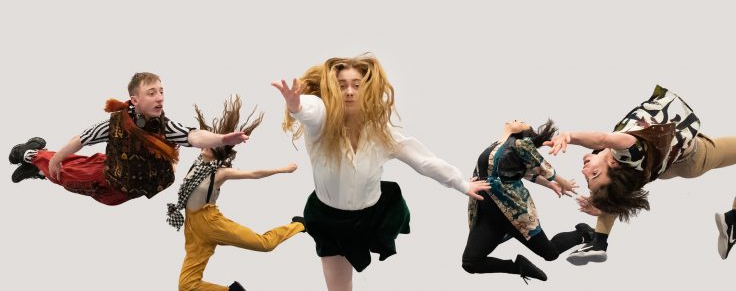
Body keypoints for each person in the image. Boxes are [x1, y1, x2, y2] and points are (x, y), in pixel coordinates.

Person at [272, 54, 491, 291]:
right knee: (339, 287)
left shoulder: (381, 133)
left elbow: (423, 160)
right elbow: (311, 110)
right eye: (341, 85)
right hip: (329, 219)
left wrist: (462, 184)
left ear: (367, 90)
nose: (349, 91)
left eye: (356, 85)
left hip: (372, 214)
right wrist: (296, 105)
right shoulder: (321, 123)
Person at [543, 85, 736, 264]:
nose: (584, 170)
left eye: (588, 178)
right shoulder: (625, 149)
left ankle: (599, 243)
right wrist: (569, 137)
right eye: (594, 173)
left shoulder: (625, 170)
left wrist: (605, 206)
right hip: (695, 157)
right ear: (612, 164)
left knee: (620, 190)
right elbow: (603, 138)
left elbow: (616, 188)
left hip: (662, 166)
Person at [8, 72, 249, 205]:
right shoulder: (115, 124)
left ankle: (37, 170)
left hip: (124, 192)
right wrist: (56, 158)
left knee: (73, 182)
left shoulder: (165, 127)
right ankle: (32, 155)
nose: (160, 98)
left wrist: (222, 139)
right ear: (135, 100)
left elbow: (194, 136)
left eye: (162, 92)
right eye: (151, 93)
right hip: (106, 175)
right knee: (63, 175)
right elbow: (82, 138)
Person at [169, 95, 304, 291]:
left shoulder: (220, 173)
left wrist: (282, 169)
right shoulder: (196, 165)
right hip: (193, 228)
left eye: (211, 144)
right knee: (186, 285)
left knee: (265, 244)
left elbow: (253, 174)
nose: (206, 145)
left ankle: (299, 224)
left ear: (218, 152)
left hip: (212, 222)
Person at [461, 119, 593, 284]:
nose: (518, 120)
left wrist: (560, 181)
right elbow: (524, 173)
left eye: (523, 122)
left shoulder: (520, 143)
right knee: (471, 262)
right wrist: (551, 185)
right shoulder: (495, 144)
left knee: (550, 254)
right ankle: (519, 267)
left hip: (513, 212)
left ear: (524, 132)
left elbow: (541, 165)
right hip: (489, 215)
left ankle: (584, 233)